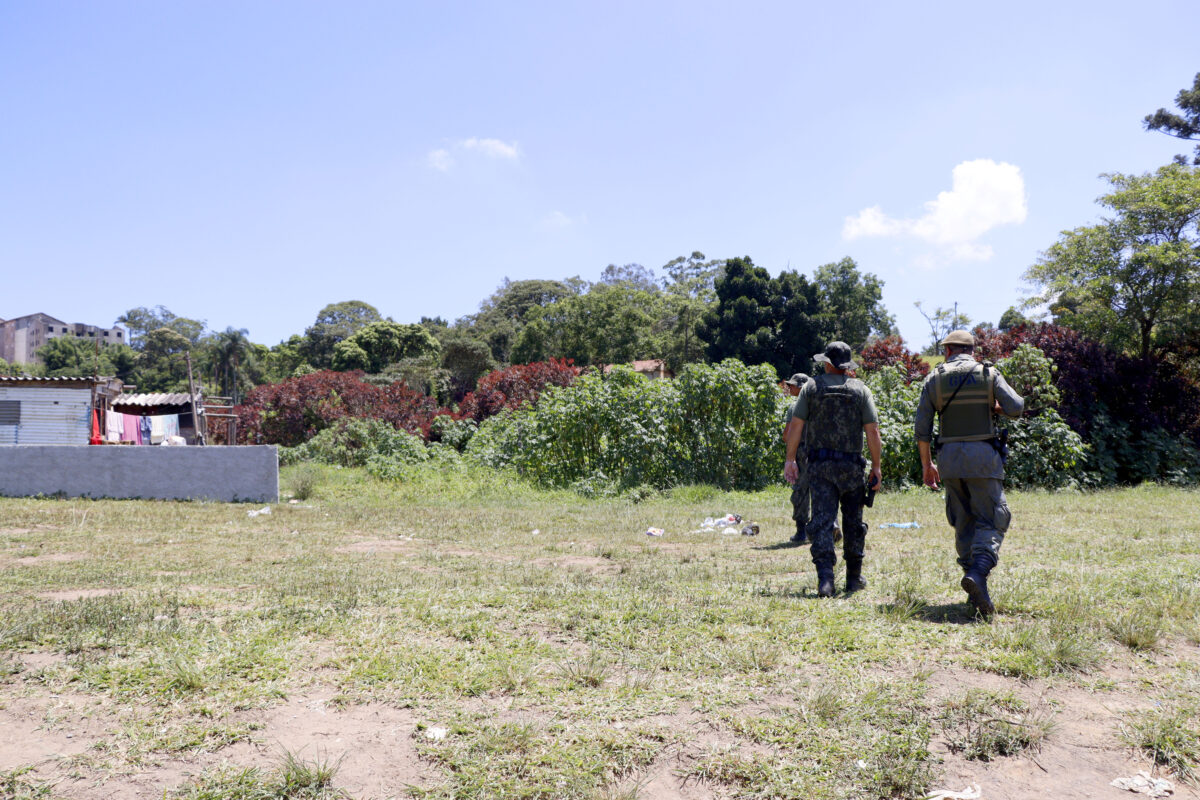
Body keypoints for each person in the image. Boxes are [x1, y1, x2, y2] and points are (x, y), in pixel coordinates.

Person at [914, 329, 1024, 617]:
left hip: (949, 460)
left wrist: (927, 466)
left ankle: (975, 593)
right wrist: (995, 408)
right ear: (972, 350)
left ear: (948, 350)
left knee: (963, 521)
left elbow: (922, 430)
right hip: (983, 459)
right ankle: (978, 573)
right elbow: (1016, 406)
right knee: (992, 518)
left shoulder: (934, 379)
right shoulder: (988, 373)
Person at [784, 342, 882, 597]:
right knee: (853, 523)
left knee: (823, 521)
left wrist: (790, 459)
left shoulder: (811, 387)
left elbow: (796, 425)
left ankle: (825, 580)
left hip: (820, 467)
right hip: (852, 467)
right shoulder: (861, 390)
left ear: (826, 362)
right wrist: (877, 467)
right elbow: (873, 430)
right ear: (847, 365)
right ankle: (853, 578)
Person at [781, 373, 811, 544]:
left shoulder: (795, 408)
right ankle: (829, 527)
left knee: (800, 491)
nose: (790, 388)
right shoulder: (818, 405)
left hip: (800, 453)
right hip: (819, 451)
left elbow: (787, 435)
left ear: (800, 388)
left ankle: (801, 532)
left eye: (792, 385)